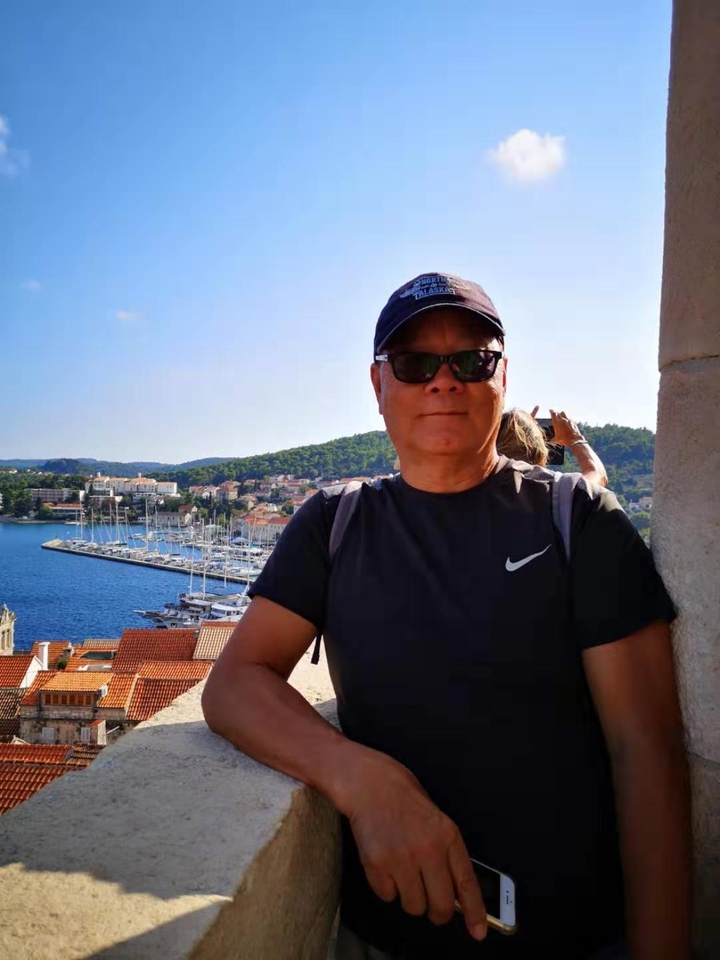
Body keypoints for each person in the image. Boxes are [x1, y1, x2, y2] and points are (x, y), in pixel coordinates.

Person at [202, 272, 690, 960]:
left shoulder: (581, 521)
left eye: (471, 359)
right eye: (414, 363)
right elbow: (235, 683)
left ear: (503, 376)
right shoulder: (333, 524)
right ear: (379, 387)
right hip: (388, 941)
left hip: (576, 938)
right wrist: (362, 780)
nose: (444, 381)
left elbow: (647, 755)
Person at [497, 407, 608, 485]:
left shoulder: (482, 487)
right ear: (540, 451)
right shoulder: (558, 491)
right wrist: (575, 437)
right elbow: (598, 475)